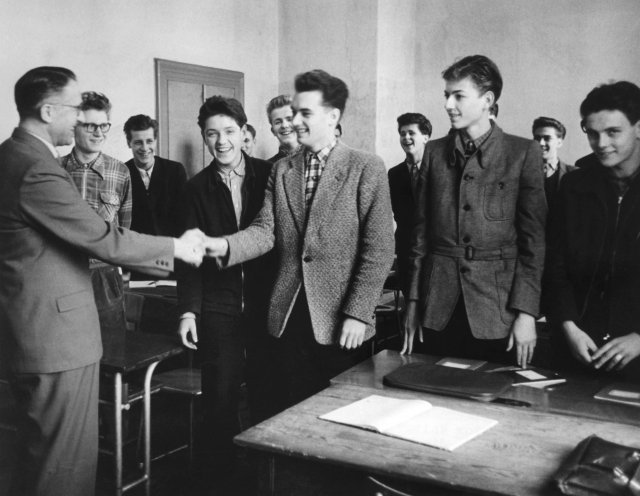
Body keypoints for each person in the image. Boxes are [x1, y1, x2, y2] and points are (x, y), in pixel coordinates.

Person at [0, 66, 203, 496]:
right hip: (54, 342)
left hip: (31, 333)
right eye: (74, 110)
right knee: (63, 469)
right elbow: (101, 238)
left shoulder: (10, 156)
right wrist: (177, 248)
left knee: (33, 461)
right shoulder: (37, 168)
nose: (78, 120)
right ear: (48, 109)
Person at [206, 69, 394, 408]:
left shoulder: (366, 167)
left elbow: (379, 249)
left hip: (342, 320)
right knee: (288, 408)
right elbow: (265, 231)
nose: (295, 120)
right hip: (288, 315)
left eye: (306, 112)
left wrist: (358, 313)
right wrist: (224, 245)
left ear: (333, 116)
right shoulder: (282, 170)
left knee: (340, 415)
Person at [403, 55, 546, 369]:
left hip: (498, 312)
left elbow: (533, 245)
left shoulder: (523, 153)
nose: (448, 104)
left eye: (459, 96)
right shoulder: (433, 153)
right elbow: (419, 237)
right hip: (437, 309)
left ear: (487, 100)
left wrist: (526, 313)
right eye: (446, 96)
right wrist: (413, 303)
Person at [176, 96, 276, 485]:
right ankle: (221, 482)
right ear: (204, 137)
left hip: (269, 302)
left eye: (229, 132)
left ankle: (268, 479)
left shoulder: (271, 175)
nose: (222, 142)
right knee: (220, 399)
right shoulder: (195, 188)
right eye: (212, 134)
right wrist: (189, 311)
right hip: (219, 306)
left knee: (269, 392)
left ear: (245, 133)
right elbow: (189, 257)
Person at [543, 81, 640, 384]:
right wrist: (569, 327)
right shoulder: (573, 187)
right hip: (578, 347)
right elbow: (555, 266)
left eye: (612, 132)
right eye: (592, 133)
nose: (600, 143)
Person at [61, 91, 133, 343]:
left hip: (105, 275)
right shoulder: (54, 169)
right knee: (67, 347)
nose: (98, 132)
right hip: (63, 273)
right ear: (74, 126)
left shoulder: (120, 171)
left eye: (103, 125)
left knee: (111, 350)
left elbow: (125, 228)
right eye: (90, 125)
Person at [388, 112, 432, 298]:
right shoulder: (394, 174)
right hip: (406, 251)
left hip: (434, 253)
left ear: (425, 137)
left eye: (411, 133)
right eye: (402, 133)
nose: (406, 138)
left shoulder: (439, 171)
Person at [123, 114, 187, 238]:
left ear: (156, 141)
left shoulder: (175, 171)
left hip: (170, 248)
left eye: (149, 141)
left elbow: (184, 217)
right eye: (138, 142)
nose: (145, 148)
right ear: (128, 143)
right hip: (137, 250)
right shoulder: (122, 172)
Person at [532, 116, 575, 209]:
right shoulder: (521, 173)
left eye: (547, 138)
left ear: (559, 142)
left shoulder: (575, 174)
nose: (541, 143)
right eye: (537, 138)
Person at [266, 94, 300, 163]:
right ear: (273, 131)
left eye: (289, 119)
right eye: (278, 122)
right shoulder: (268, 166)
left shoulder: (315, 157)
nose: (284, 125)